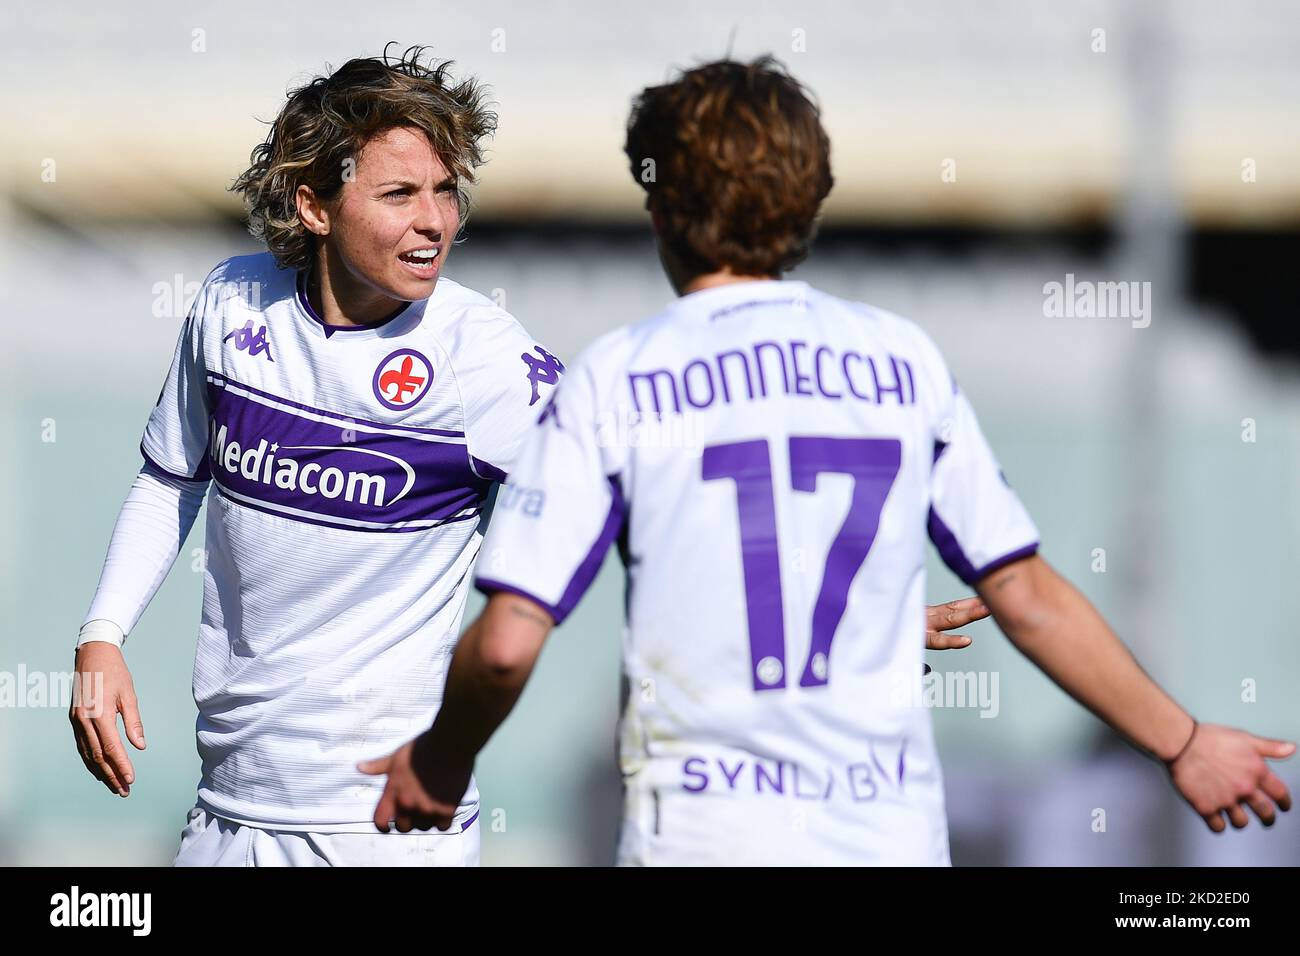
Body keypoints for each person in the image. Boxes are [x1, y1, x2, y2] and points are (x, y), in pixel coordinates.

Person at [363, 57, 1295, 865]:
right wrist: (1182, 742)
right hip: (880, 841)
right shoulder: (901, 362)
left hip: (702, 839)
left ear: (663, 209)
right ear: (811, 202)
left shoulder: (621, 376)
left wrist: (440, 762)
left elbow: (510, 643)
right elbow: (1029, 597)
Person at [69, 45, 564, 866]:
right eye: (400, 193)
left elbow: (616, 499)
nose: (434, 221)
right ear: (314, 206)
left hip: (388, 827)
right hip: (225, 814)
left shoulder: (487, 358)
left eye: (446, 191)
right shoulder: (231, 304)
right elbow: (169, 478)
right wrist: (102, 634)